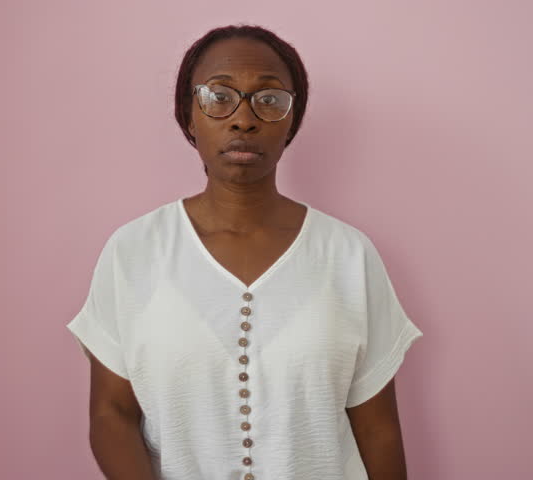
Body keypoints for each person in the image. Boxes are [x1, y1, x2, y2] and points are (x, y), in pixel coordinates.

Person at [67, 24, 424, 480]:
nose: (243, 118)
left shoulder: (348, 254)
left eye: (269, 99)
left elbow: (378, 432)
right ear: (188, 114)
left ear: (292, 121)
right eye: (219, 96)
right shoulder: (133, 251)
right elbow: (111, 414)